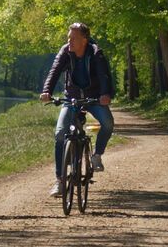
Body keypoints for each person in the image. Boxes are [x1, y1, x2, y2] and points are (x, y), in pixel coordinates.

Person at [39, 21, 114, 197]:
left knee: (108, 123)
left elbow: (104, 76)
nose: (69, 41)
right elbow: (54, 71)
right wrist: (46, 91)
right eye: (68, 37)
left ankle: (96, 155)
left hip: (93, 98)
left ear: (84, 40)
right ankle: (60, 181)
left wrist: (105, 94)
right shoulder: (65, 51)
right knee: (59, 134)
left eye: (74, 38)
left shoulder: (96, 53)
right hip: (71, 97)